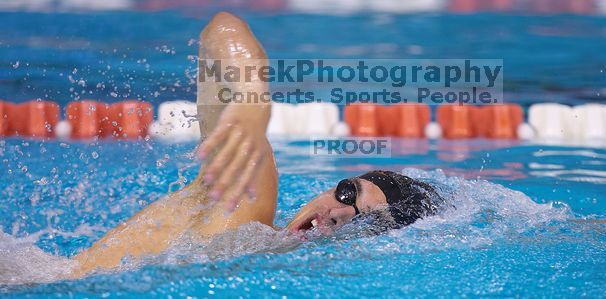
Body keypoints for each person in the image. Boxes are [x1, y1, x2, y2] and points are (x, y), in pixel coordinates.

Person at [71, 12, 443, 278]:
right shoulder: (243, 209)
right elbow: (223, 27)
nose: (339, 213)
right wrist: (252, 101)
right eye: (348, 193)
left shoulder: (263, 261)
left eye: (368, 221)